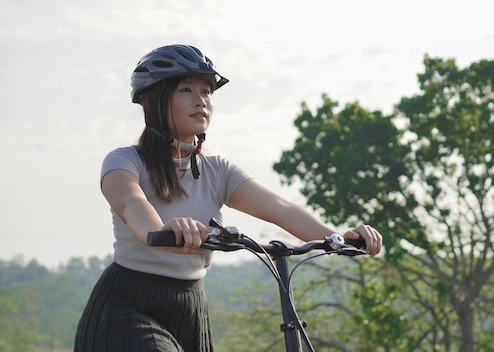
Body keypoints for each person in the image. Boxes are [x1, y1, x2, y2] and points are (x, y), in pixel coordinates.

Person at [74, 44, 383, 352]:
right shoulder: (125, 162)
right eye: (186, 90)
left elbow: (279, 207)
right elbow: (131, 202)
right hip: (129, 306)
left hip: (191, 307)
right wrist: (163, 231)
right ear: (153, 101)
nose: (201, 101)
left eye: (206, 92)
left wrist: (339, 238)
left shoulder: (217, 170)